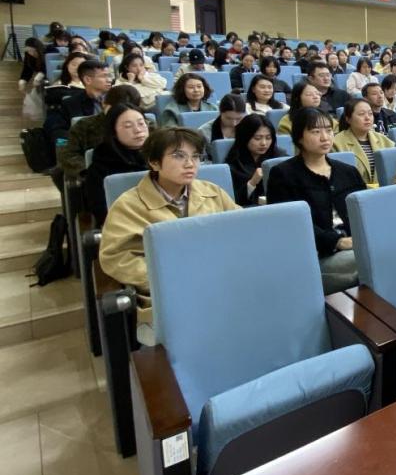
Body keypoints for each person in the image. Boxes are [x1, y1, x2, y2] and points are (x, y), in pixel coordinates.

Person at [99, 128, 238, 332]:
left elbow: (240, 232)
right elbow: (117, 257)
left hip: (220, 284)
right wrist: (172, 279)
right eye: (179, 156)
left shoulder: (212, 192)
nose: (190, 164)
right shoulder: (128, 206)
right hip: (170, 297)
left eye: (195, 156)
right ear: (154, 163)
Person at [265, 108, 365, 293]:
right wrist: (336, 241)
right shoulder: (283, 175)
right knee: (367, 262)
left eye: (329, 130)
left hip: (356, 246)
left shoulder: (348, 171)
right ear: (299, 137)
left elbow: (365, 213)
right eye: (316, 131)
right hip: (317, 255)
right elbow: (289, 225)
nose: (325, 137)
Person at [83, 104, 150, 224]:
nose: (138, 130)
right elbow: (103, 213)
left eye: (141, 123)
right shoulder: (100, 167)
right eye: (128, 126)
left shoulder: (162, 156)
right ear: (113, 132)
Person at [59, 85, 142, 179]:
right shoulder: (84, 126)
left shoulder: (145, 126)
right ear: (105, 105)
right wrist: (90, 172)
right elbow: (68, 155)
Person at [224, 114, 283, 206]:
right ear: (245, 138)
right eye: (257, 138)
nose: (264, 143)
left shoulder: (279, 157)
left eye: (268, 138)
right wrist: (252, 183)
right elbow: (232, 201)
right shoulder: (233, 164)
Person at [333, 97, 394, 185]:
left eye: (370, 113)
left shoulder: (385, 141)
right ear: (348, 119)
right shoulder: (336, 143)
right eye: (361, 114)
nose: (367, 118)